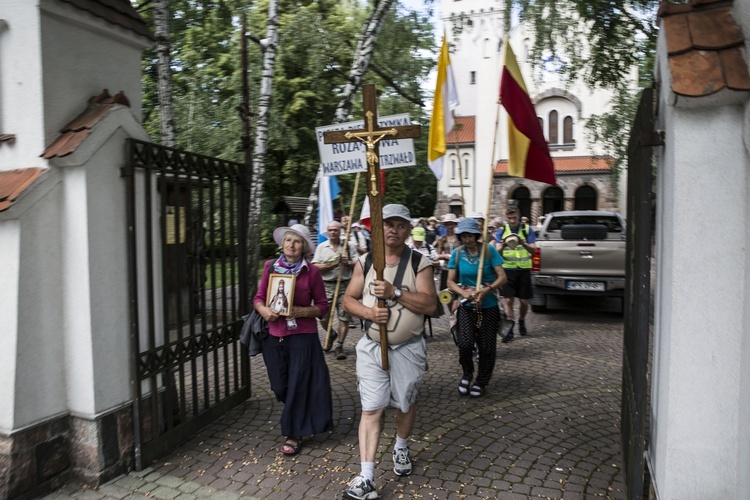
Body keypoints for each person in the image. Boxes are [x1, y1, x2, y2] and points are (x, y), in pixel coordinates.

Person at [341, 204, 437, 500]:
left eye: (399, 224)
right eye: (387, 224)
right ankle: (366, 476)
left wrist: (394, 292)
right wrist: (369, 312)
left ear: (408, 230)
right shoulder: (366, 261)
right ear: (377, 229)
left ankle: (401, 447)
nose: (393, 229)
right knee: (371, 408)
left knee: (405, 404)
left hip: (408, 348)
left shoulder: (420, 262)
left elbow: (430, 305)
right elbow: (347, 299)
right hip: (371, 346)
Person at [253, 224, 332, 456]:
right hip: (274, 334)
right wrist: (263, 310)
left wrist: (300, 312)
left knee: (298, 384)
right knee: (280, 385)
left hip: (302, 336)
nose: (291, 245)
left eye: (297, 241)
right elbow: (259, 297)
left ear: (304, 247)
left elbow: (322, 307)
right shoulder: (270, 266)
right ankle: (300, 411)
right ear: (282, 243)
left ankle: (294, 433)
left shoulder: (313, 272)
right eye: (288, 240)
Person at [446, 217, 507, 398]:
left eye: (470, 235)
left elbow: (502, 277)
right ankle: (467, 373)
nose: (467, 239)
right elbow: (450, 281)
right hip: (466, 306)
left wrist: (487, 290)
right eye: (463, 236)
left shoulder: (488, 250)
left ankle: (481, 381)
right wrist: (463, 293)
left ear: (477, 235)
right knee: (464, 344)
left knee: (487, 347)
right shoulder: (457, 253)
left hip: (488, 306)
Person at [312, 221, 357, 360]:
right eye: (330, 230)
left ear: (340, 231)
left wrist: (348, 262)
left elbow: (358, 263)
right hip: (326, 286)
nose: (333, 232)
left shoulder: (349, 246)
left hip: (344, 285)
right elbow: (315, 266)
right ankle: (331, 334)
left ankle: (339, 346)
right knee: (323, 317)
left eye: (335, 230)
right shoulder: (321, 247)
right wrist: (331, 265)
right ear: (327, 231)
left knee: (344, 317)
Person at [497, 205, 536, 341]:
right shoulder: (501, 231)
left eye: (514, 218)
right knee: (508, 300)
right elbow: (496, 253)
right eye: (509, 218)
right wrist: (503, 245)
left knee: (524, 302)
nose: (512, 221)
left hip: (524, 269)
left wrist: (523, 243)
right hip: (508, 269)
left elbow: (533, 251)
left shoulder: (526, 229)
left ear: (519, 216)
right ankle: (510, 328)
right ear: (506, 218)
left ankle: (521, 320)